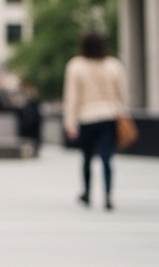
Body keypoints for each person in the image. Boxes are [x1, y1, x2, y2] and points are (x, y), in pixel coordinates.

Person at [63, 30, 127, 211]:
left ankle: (87, 193)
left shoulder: (76, 66)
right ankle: (107, 195)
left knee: (87, 158)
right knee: (107, 158)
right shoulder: (114, 65)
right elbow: (122, 93)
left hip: (86, 118)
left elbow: (72, 97)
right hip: (109, 116)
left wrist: (70, 123)